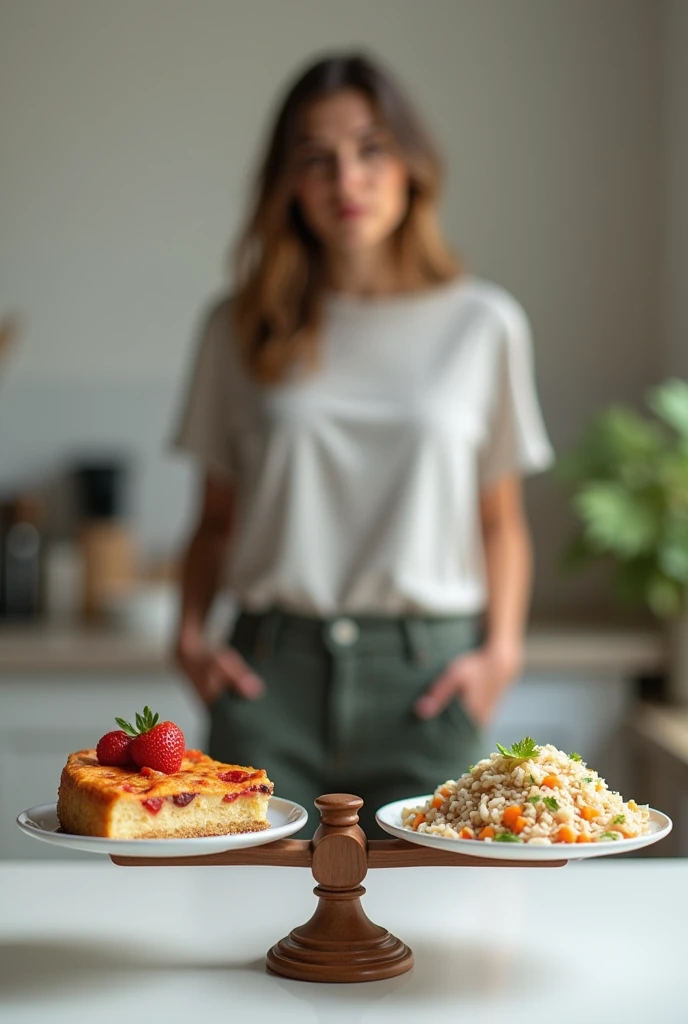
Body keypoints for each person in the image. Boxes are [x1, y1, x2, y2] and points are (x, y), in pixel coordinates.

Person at [171, 52, 554, 837]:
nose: (347, 177)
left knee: (438, 936)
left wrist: (502, 655)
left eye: (371, 147)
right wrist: (187, 640)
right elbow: (213, 520)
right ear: (289, 183)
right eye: (316, 157)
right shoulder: (238, 327)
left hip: (428, 686)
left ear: (412, 165)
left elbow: (500, 522)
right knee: (236, 928)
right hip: (268, 681)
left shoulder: (485, 325)